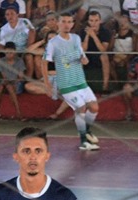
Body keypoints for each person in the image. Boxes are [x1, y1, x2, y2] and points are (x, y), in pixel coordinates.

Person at [43, 12, 101, 150]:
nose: (66, 24)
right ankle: (83, 141)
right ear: (58, 23)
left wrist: (84, 59)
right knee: (81, 108)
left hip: (80, 80)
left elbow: (83, 57)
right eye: (63, 21)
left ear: (73, 24)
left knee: (94, 107)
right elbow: (44, 62)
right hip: (66, 82)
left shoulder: (75, 38)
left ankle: (86, 131)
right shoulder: (53, 42)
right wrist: (47, 84)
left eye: (69, 22)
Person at [0, 41, 25, 116]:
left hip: (17, 83)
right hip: (6, 82)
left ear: (14, 52)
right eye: (7, 53)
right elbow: (4, 76)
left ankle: (18, 112)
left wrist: (14, 82)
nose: (9, 55)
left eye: (11, 52)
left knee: (9, 86)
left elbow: (21, 77)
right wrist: (7, 81)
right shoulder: (1, 61)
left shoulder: (19, 61)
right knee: (0, 88)